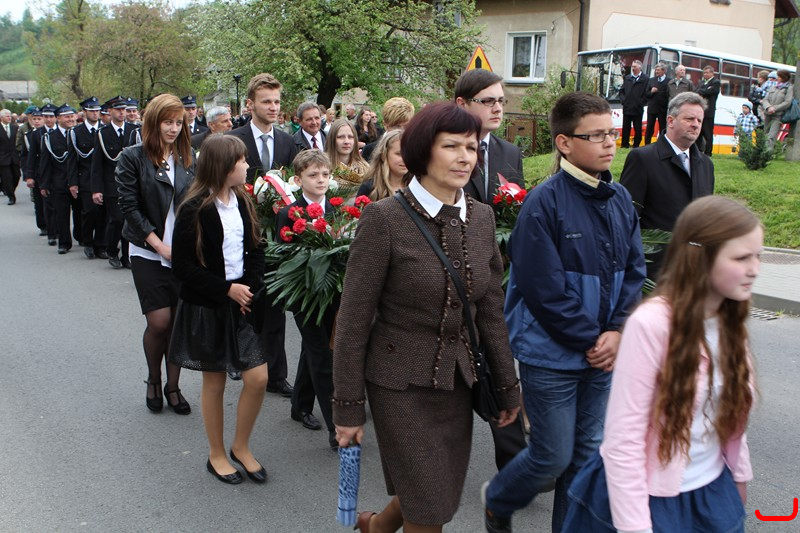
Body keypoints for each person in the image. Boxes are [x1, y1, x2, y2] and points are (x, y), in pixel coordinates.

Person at [333, 102, 521, 533]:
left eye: (470, 147)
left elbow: (490, 311)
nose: (464, 157)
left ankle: (377, 527)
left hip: (458, 384)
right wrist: (348, 407)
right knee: (429, 505)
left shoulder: (482, 218)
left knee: (433, 488)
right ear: (422, 151)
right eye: (451, 146)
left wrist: (508, 388)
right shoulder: (383, 219)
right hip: (399, 385)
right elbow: (353, 321)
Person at [482, 92, 646, 533]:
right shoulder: (544, 202)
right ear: (565, 143)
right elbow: (543, 290)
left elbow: (635, 272)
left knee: (588, 454)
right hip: (552, 354)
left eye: (612, 133)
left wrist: (617, 331)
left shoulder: (619, 198)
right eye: (596, 135)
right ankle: (498, 499)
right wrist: (593, 339)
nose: (609, 143)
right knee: (552, 455)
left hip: (603, 354)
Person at [563, 195, 760, 533]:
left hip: (712, 492)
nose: (754, 269)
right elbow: (624, 440)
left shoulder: (730, 317)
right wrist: (636, 528)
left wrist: (738, 478)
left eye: (758, 256)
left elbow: (729, 414)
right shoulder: (651, 324)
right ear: (701, 257)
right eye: (742, 258)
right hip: (647, 496)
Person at [169, 134, 269, 485]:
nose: (247, 165)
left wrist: (249, 287)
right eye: (241, 161)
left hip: (241, 303)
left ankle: (241, 446)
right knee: (214, 381)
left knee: (258, 378)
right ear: (224, 167)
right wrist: (226, 289)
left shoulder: (243, 201)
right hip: (209, 304)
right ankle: (216, 455)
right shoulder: (194, 208)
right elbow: (182, 266)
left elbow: (257, 247)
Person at [116, 93, 195, 415]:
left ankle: (173, 387)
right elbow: (129, 206)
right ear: (153, 122)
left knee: (177, 324)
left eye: (178, 122)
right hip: (147, 252)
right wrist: (159, 245)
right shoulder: (132, 157)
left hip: (183, 254)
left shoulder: (188, 158)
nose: (174, 128)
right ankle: (153, 378)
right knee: (160, 322)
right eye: (167, 122)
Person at [227, 72, 298, 397]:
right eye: (266, 101)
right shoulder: (234, 139)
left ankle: (276, 374)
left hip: (276, 237)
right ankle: (238, 357)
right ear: (250, 104)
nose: (273, 107)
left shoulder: (286, 141)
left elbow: (293, 186)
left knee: (275, 307)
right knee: (244, 302)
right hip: (240, 234)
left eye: (277, 102)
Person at [275, 150, 340, 449]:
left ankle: (300, 405)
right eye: (313, 175)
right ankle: (336, 427)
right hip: (304, 297)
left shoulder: (338, 211)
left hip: (333, 294)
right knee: (322, 356)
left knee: (312, 350)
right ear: (298, 180)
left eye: (325, 174)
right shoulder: (289, 213)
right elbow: (282, 258)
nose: (321, 180)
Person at [620, 92, 715, 280]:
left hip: (693, 269)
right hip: (654, 271)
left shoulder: (706, 165)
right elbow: (627, 216)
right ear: (670, 121)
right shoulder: (643, 158)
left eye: (699, 120)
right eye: (689, 119)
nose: (696, 124)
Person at [455, 69, 525, 206]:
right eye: (488, 101)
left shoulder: (511, 153)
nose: (498, 109)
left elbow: (518, 208)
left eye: (501, 101)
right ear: (462, 104)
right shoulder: (443, 150)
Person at [91, 96, 138, 269]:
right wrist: (96, 189)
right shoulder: (103, 133)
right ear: (110, 112)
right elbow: (97, 164)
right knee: (117, 220)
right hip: (112, 184)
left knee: (129, 220)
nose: (122, 113)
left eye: (124, 109)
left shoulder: (134, 131)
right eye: (118, 110)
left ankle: (126, 256)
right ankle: (112, 250)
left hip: (131, 183)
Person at [39, 104, 79, 255]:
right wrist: (44, 184)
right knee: (61, 214)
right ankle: (64, 242)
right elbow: (45, 163)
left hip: (79, 181)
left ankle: (81, 236)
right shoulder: (50, 137)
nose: (70, 119)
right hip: (59, 182)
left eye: (72, 116)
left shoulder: (79, 133)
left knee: (81, 212)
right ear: (58, 118)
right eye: (66, 117)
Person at [73, 96, 107, 259]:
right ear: (84, 112)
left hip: (103, 178)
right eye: (91, 111)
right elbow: (72, 160)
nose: (95, 114)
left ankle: (100, 244)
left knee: (103, 213)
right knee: (89, 212)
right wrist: (73, 182)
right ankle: (87, 242)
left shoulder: (104, 130)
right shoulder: (76, 132)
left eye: (97, 111)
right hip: (85, 178)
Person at [356, 129, 408, 201]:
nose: (405, 158)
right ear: (384, 155)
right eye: (399, 154)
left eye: (408, 153)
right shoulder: (369, 188)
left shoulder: (416, 186)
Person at [361, 97, 415, 162]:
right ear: (385, 125)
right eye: (397, 127)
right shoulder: (370, 150)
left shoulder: (416, 149)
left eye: (406, 126)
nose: (402, 131)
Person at [325, 119, 369, 185]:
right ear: (332, 139)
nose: (346, 141)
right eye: (341, 137)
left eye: (350, 137)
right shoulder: (323, 167)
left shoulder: (366, 169)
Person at [760, 69, 794, 151]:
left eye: (779, 76)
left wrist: (775, 108)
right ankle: (762, 153)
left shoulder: (789, 88)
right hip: (768, 114)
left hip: (778, 115)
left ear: (784, 77)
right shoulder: (773, 87)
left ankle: (768, 153)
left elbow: (787, 102)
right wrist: (768, 107)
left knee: (771, 136)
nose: (777, 78)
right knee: (765, 134)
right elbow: (765, 99)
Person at [619, 60, 649, 148]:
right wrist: (623, 101)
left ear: (640, 67)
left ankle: (636, 144)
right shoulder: (627, 78)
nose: (633, 68)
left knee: (637, 127)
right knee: (626, 127)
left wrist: (641, 102)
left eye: (635, 67)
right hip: (627, 107)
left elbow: (647, 93)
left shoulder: (645, 79)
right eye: (632, 66)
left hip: (638, 108)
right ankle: (624, 144)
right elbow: (621, 91)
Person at [695, 65, 721, 156]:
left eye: (707, 73)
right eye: (704, 73)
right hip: (700, 111)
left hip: (709, 112)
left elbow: (708, 92)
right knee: (698, 132)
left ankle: (708, 152)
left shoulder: (716, 82)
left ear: (712, 73)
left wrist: (702, 91)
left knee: (708, 133)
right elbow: (696, 91)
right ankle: (698, 150)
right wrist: (702, 90)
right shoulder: (701, 82)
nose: (705, 74)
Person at [644, 62, 670, 145]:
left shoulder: (669, 81)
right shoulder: (651, 80)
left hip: (663, 108)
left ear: (663, 71)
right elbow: (646, 94)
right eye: (656, 70)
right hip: (652, 108)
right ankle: (647, 144)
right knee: (649, 127)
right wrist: (651, 92)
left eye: (658, 70)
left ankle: (662, 144)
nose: (656, 72)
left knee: (662, 128)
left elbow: (669, 94)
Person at [0, 108, 20, 206]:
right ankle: (11, 196)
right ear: (1, 117)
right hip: (2, 158)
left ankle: (8, 189)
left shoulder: (15, 127)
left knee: (17, 176)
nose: (9, 117)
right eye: (7, 116)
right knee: (7, 177)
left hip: (14, 157)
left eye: (10, 116)